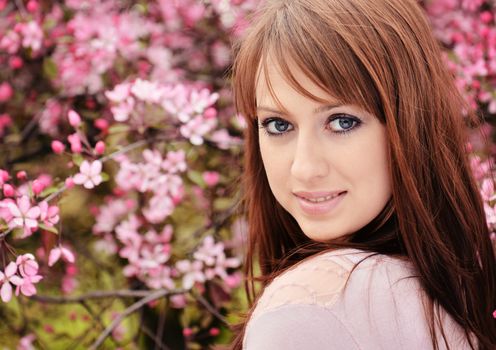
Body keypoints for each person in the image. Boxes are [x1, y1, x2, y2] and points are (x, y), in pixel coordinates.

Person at [229, 0, 496, 349]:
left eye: (342, 122)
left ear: (407, 125)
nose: (304, 168)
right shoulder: (462, 299)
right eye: (278, 125)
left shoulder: (308, 306)